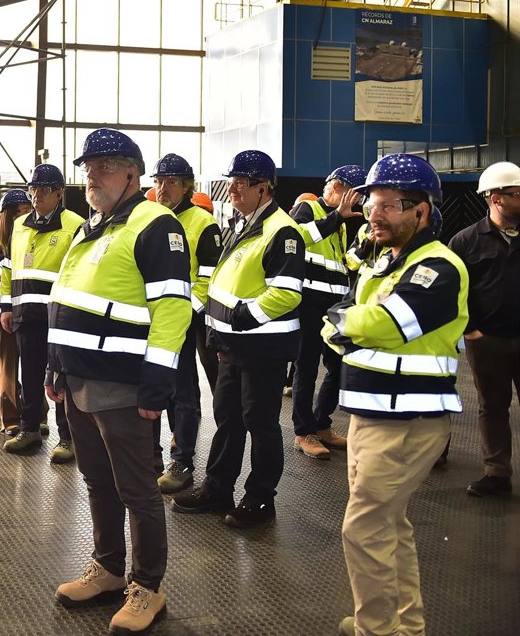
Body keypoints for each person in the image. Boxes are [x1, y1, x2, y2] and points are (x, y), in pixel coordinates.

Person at [47, 129, 191, 634]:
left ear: (133, 172)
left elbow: (172, 308)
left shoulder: (155, 225)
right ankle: (108, 568)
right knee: (97, 479)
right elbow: (68, 295)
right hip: (79, 377)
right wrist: (56, 364)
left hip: (124, 382)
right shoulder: (93, 226)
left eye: (104, 166)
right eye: (89, 168)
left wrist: (158, 381)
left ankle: (147, 586)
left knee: (137, 489)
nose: (92, 176)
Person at [322, 154, 466, 636]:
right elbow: (345, 318)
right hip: (371, 413)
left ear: (421, 211)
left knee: (364, 528)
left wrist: (347, 323)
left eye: (387, 206)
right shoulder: (386, 262)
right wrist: (349, 323)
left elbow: (386, 323)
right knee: (388, 525)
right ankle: (404, 625)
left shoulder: (438, 268)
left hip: (407, 420)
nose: (374, 215)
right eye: (371, 205)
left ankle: (377, 629)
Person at [172, 149, 305, 528]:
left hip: (262, 347)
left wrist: (242, 318)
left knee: (260, 423)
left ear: (264, 188)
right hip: (232, 345)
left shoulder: (282, 231)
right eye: (231, 182)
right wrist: (221, 331)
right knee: (228, 418)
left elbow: (287, 293)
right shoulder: (243, 225)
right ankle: (218, 488)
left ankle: (261, 498)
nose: (232, 189)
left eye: (241, 183)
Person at [0, 164, 84, 463]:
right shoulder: (20, 224)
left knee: (61, 378)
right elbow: (9, 268)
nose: (36, 195)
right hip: (25, 315)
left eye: (44, 189)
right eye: (33, 189)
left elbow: (78, 272)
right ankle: (29, 429)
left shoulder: (75, 225)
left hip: (59, 316)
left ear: (59, 193)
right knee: (31, 374)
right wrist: (6, 307)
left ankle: (67, 437)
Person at [148, 153, 222, 494]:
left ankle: (182, 461)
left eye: (172, 182)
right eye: (159, 181)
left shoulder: (203, 223)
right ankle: (149, 455)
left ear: (187, 186)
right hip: (146, 320)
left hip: (181, 321)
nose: (163, 188)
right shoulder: (147, 216)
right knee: (149, 387)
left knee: (182, 392)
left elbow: (208, 278)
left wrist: (182, 313)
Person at [447, 160, 520, 498]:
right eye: (518, 193)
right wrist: (470, 328)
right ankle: (497, 473)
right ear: (496, 198)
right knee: (492, 406)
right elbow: (453, 291)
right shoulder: (465, 241)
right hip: (486, 340)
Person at [289, 164, 366, 460]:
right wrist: (336, 217)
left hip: (335, 304)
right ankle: (303, 432)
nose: (358, 201)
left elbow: (342, 263)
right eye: (355, 194)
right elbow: (295, 239)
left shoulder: (341, 223)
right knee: (306, 367)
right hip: (309, 302)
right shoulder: (308, 208)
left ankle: (321, 423)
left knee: (338, 365)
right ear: (336, 187)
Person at [0, 189, 32, 436]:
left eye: (27, 211)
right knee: (8, 366)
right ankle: (11, 418)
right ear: (7, 216)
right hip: (5, 310)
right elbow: (2, 269)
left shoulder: (30, 238)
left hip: (28, 309)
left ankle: (37, 414)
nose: (24, 216)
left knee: (32, 365)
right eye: (19, 212)